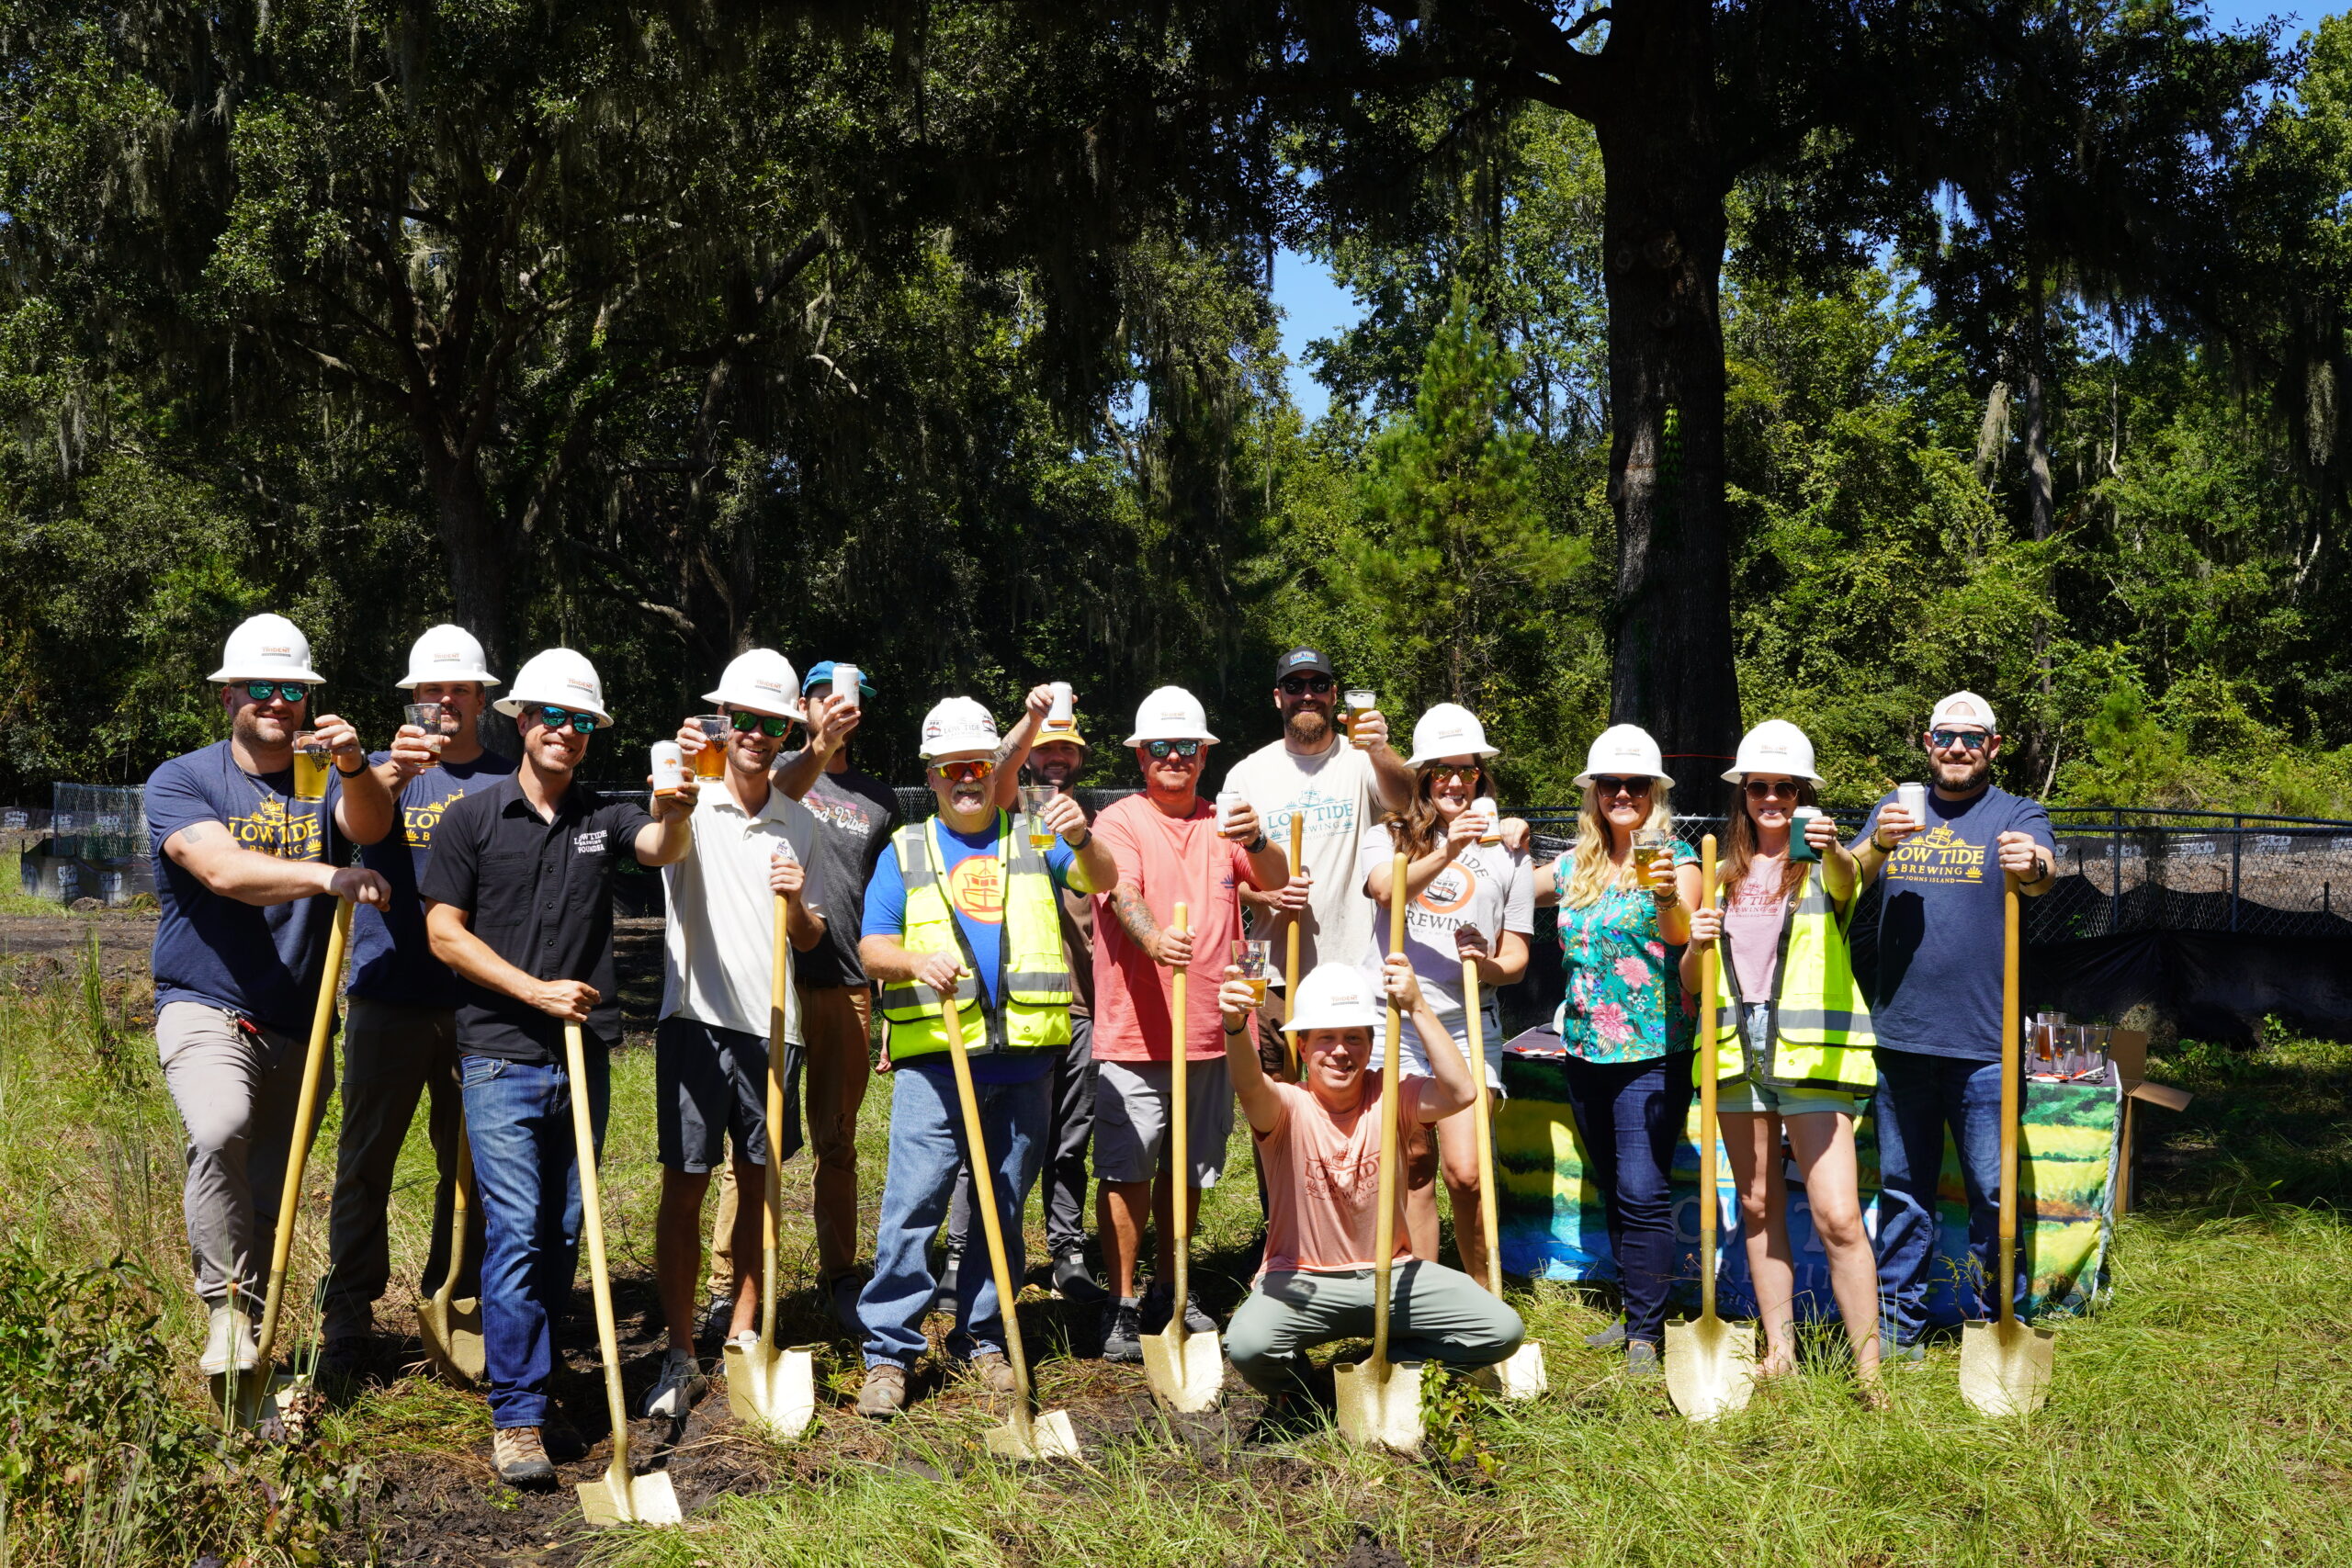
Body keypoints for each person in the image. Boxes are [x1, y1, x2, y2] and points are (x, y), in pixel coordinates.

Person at [421, 649, 696, 1487]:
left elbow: (658, 847)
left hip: (583, 1062)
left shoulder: (602, 817)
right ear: (520, 720)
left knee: (565, 1231)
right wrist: (536, 993)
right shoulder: (471, 817)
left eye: (581, 722)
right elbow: (443, 932)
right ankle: (516, 1415)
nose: (566, 733)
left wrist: (676, 808)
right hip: (501, 1058)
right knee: (515, 1230)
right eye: (552, 717)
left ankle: (537, 1374)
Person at [147, 614, 404, 1382]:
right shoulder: (183, 778)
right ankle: (225, 1307)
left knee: (268, 1191)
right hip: (205, 999)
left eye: (291, 688)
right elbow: (223, 870)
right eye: (259, 687)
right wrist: (328, 876)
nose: (276, 700)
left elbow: (370, 823)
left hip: (301, 1019)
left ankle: (247, 1361)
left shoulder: (321, 776)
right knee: (220, 1124)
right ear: (228, 695)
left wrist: (358, 767)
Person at [849, 697, 1116, 1418]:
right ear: (932, 776)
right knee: (913, 1206)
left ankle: (983, 1337)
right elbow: (871, 947)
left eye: (978, 766)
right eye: (951, 769)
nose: (967, 780)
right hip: (936, 1065)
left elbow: (1103, 879)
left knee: (1002, 1206)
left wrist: (1085, 837)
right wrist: (911, 960)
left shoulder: (1035, 836)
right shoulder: (906, 850)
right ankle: (888, 1353)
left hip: (1025, 1063)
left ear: (992, 768)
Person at [321, 624, 514, 1377]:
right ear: (412, 697)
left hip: (477, 1002)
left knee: (467, 1167)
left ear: (481, 699)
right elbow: (354, 831)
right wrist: (390, 775)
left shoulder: (506, 781)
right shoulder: (373, 772)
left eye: (459, 689)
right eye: (432, 690)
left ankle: (453, 1301)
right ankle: (348, 1316)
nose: (444, 702)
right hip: (387, 992)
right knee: (365, 1160)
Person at [641, 649, 826, 1418]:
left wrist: (802, 904)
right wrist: (681, 767)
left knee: (759, 1188)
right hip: (693, 1020)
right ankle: (679, 1349)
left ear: (786, 732)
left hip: (773, 1028)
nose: (753, 734)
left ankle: (744, 1330)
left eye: (769, 723)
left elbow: (812, 940)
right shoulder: (685, 789)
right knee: (685, 1187)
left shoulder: (802, 824)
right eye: (741, 720)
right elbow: (664, 822)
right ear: (723, 722)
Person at [1680, 719, 1884, 1405]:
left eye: (1785, 788)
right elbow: (1690, 978)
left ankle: (1869, 1374)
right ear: (1743, 795)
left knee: (1837, 1215)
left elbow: (1851, 877)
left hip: (1812, 1056)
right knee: (1760, 1202)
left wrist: (1831, 845)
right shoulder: (1718, 872)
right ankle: (1779, 1353)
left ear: (1803, 794)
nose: (1772, 798)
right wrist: (1695, 941)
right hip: (1738, 1052)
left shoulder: (1827, 864)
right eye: (1759, 787)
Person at [1216, 961, 1526, 1408]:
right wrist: (1233, 1025)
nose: (1340, 1052)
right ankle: (1301, 1388)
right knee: (1246, 1345)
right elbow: (1247, 1082)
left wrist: (1417, 1005)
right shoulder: (1285, 1106)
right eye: (1326, 1038)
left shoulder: (1393, 1094)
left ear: (1370, 1047)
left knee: (1502, 1330)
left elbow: (1461, 1092)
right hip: (1303, 1279)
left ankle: (1402, 1360)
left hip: (1393, 1273)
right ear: (1302, 1049)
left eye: (1353, 1038)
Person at [1851, 691, 2057, 1360]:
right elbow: (1843, 880)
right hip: (1900, 1042)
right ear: (1928, 744)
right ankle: (1898, 1328)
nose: (1958, 748)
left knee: (1993, 1195)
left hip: (1985, 1047)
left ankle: (1992, 1327)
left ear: (1994, 747)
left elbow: (2042, 869)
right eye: (1946, 736)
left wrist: (2032, 864)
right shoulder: (1894, 812)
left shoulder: (2017, 813)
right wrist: (1877, 844)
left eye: (1973, 738)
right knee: (1903, 1194)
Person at [696, 658, 899, 1334]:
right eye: (820, 697)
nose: (835, 706)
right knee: (755, 1145)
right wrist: (818, 747)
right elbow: (767, 784)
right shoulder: (779, 772)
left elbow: (889, 900)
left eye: (848, 699)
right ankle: (729, 1280)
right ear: (797, 710)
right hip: (770, 981)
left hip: (845, 982)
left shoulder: (881, 798)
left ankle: (840, 1272)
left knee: (836, 1140)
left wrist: (890, 1006)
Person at [1091, 686, 1289, 1361]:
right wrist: (1153, 940)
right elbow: (1121, 891)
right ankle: (1121, 1301)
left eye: (1187, 747)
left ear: (1204, 756)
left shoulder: (1222, 821)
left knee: (1192, 1168)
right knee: (1128, 1168)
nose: (1174, 757)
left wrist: (1258, 835)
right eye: (1160, 748)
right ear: (1142, 756)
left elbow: (1275, 874)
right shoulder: (1120, 819)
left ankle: (1172, 1284)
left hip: (1211, 1028)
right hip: (1136, 1030)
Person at [1530, 724, 1701, 1371]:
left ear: (1655, 792)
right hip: (1585, 1050)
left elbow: (1682, 930)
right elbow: (1514, 889)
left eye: (1635, 784)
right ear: (1594, 792)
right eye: (1610, 783)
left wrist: (1661, 892)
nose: (1622, 792)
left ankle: (1645, 1336)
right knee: (1612, 1182)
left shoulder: (1678, 858)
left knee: (1641, 1187)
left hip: (1652, 1049)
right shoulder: (1577, 864)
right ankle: (1637, 1309)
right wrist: (1498, 842)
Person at [939, 705, 1108, 1304]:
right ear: (1031, 753)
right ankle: (964, 1252)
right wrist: (1032, 720)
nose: (1055, 758)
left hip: (1082, 1006)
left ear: (1080, 758)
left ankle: (1067, 1251)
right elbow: (1001, 766)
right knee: (987, 1139)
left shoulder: (1096, 820)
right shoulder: (1008, 811)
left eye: (1067, 749)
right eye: (1046, 748)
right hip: (1014, 1013)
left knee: (1069, 1140)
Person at [1359, 704, 1532, 1283]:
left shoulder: (1510, 848)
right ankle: (1423, 1303)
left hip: (1467, 1026)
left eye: (1467, 770)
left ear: (1481, 776)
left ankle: (1483, 1302)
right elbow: (1386, 891)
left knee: (1468, 1172)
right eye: (1442, 772)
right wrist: (1447, 851)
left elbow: (1517, 961)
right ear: (1423, 778)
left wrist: (1486, 963)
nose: (1456, 783)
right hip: (1397, 1025)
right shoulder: (1388, 834)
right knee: (1411, 1165)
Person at [1220, 649, 1413, 1029]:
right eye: (1294, 685)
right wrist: (1264, 894)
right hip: (1274, 969)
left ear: (1334, 694)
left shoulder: (1363, 760)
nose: (1307, 694)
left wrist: (1380, 747)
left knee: (1351, 1083)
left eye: (1318, 684)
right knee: (1276, 1086)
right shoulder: (1246, 775)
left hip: (1357, 966)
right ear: (1279, 697)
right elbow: (1223, 876)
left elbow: (1410, 803)